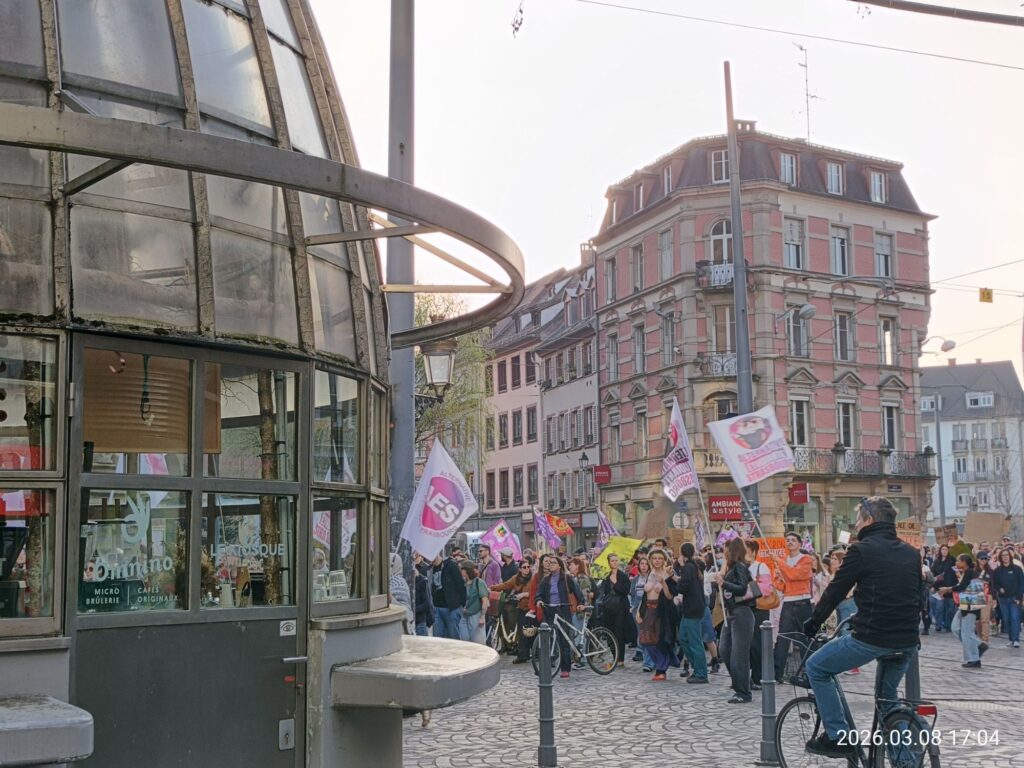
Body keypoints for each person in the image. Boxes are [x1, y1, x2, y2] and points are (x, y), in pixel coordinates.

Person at [801, 497, 922, 758]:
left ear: (870, 520)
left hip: (873, 636)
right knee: (887, 700)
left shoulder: (861, 550)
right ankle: (905, 761)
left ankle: (838, 736)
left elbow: (836, 591)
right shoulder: (911, 552)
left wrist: (813, 622)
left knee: (816, 668)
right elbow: (917, 596)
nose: (855, 525)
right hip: (907, 640)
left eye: (858, 519)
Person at [716, 537, 755, 703]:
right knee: (725, 649)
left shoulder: (739, 567)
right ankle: (741, 681)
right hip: (731, 613)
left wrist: (724, 583)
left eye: (726, 548)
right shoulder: (732, 567)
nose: (724, 552)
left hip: (741, 612)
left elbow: (742, 588)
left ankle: (743, 691)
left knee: (739, 654)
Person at [531, 554, 584, 679]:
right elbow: (539, 593)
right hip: (550, 611)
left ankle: (565, 668)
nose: (550, 564)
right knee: (548, 638)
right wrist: (539, 600)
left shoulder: (566, 578)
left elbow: (577, 592)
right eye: (550, 562)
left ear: (560, 566)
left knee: (564, 640)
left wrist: (581, 603)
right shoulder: (546, 580)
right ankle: (546, 665)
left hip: (563, 610)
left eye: (554, 562)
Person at [772, 531, 814, 683]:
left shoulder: (806, 559)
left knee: (805, 639)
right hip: (789, 601)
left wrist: (780, 564)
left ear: (799, 543)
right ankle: (777, 674)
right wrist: (778, 577)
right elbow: (780, 585)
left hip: (803, 602)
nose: (789, 542)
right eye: (788, 540)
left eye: (793, 540)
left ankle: (810, 673)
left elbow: (795, 575)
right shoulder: (783, 560)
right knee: (783, 638)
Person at [638, 548, 679, 681]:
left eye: (660, 558)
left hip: (662, 611)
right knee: (646, 640)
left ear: (664, 560)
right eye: (654, 558)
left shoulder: (668, 574)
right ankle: (665, 661)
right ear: (650, 560)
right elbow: (644, 596)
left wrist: (663, 583)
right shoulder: (650, 574)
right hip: (648, 610)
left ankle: (661, 669)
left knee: (660, 640)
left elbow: (670, 596)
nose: (657, 561)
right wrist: (639, 611)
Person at [941, 553, 987, 667]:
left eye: (958, 560)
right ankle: (978, 644)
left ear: (964, 562)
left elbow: (962, 587)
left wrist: (947, 589)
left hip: (970, 606)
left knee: (967, 633)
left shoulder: (970, 572)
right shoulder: (966, 572)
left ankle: (974, 659)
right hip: (964, 605)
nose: (956, 562)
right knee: (955, 628)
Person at [674, 543, 708, 684]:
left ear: (682, 553)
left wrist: (677, 579)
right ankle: (697, 667)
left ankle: (701, 673)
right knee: (683, 638)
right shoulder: (691, 566)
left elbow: (683, 587)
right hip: (690, 608)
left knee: (695, 641)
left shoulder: (689, 567)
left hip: (693, 608)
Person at [492, 559, 536, 663]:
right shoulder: (516, 578)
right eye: (524, 567)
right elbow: (505, 585)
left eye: (528, 567)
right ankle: (522, 655)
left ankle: (534, 652)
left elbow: (536, 592)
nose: (527, 569)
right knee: (521, 631)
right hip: (521, 607)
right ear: (520, 569)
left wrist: (524, 594)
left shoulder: (533, 579)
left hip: (531, 608)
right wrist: (492, 588)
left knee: (532, 631)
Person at [746, 539, 773, 689]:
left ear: (754, 552)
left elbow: (766, 589)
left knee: (757, 644)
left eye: (747, 549)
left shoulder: (761, 567)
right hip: (744, 609)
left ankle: (758, 677)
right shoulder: (739, 567)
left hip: (759, 609)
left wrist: (745, 591)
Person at [599, 553, 631, 667]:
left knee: (619, 633)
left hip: (620, 608)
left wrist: (616, 583)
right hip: (608, 608)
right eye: (612, 560)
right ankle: (615, 657)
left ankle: (620, 659)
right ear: (609, 562)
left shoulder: (623, 576)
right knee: (610, 633)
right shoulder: (606, 576)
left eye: (616, 560)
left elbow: (626, 591)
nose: (614, 562)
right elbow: (604, 592)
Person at [430, 550, 467, 640]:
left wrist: (462, 605)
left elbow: (461, 585)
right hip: (437, 607)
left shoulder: (450, 565)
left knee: (453, 637)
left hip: (452, 607)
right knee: (437, 638)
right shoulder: (429, 569)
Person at [992, 547, 1024, 648]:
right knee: (1006, 619)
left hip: (1015, 598)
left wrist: (1019, 597)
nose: (1005, 557)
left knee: (1015, 618)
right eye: (1003, 555)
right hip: (1003, 599)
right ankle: (1011, 639)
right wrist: (999, 588)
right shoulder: (997, 570)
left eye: (1007, 555)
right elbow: (994, 583)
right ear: (1000, 557)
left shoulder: (1017, 569)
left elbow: (1022, 584)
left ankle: (1016, 640)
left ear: (1010, 556)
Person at [629, 555, 654, 670]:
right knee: (641, 634)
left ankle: (648, 662)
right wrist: (632, 606)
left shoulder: (651, 578)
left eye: (645, 564)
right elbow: (632, 593)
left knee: (647, 633)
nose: (644, 566)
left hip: (648, 607)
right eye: (642, 564)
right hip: (637, 608)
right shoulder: (635, 579)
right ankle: (646, 656)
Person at [458, 561, 490, 644]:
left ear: (466, 570)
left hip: (476, 614)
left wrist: (482, 616)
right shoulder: (463, 583)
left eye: (462, 569)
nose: (460, 571)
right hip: (464, 614)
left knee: (477, 642)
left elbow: (485, 600)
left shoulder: (479, 582)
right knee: (464, 639)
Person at [930, 544, 957, 632]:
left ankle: (948, 625)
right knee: (939, 608)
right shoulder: (936, 562)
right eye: (943, 549)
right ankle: (938, 625)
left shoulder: (952, 560)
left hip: (950, 587)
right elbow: (933, 574)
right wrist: (933, 586)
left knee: (950, 608)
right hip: (939, 588)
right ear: (940, 551)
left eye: (946, 549)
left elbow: (956, 572)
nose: (944, 551)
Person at [389, 553, 413, 630]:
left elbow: (406, 610)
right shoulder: (389, 580)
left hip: (399, 627)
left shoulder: (399, 582)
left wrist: (390, 599)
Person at [413, 554, 433, 637]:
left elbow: (426, 603)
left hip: (420, 621)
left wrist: (414, 610)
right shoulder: (407, 582)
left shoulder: (422, 581)